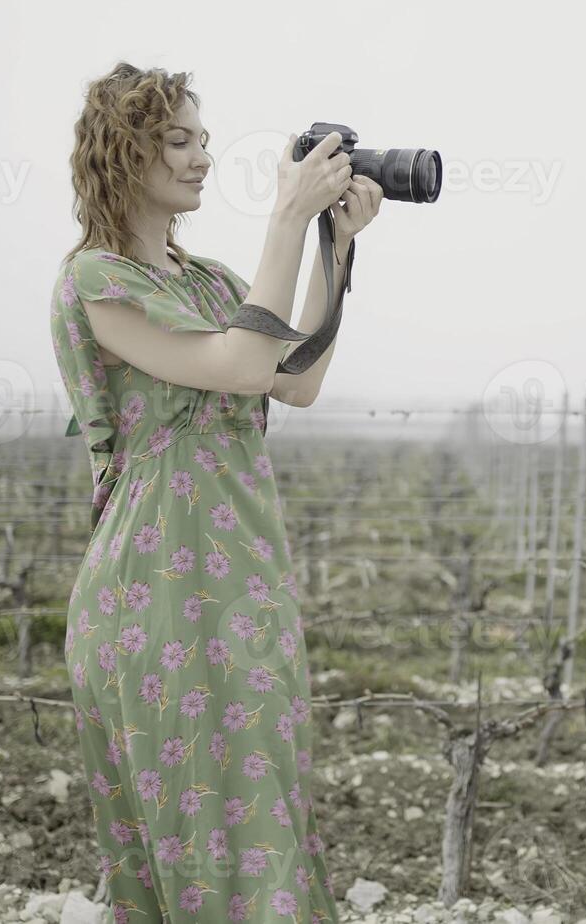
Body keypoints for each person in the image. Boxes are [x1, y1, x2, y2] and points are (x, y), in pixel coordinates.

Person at [49, 61, 381, 923]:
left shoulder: (212, 283)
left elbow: (292, 376)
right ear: (126, 153)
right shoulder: (97, 281)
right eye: (179, 140)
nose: (202, 157)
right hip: (156, 599)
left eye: (203, 138)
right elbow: (237, 364)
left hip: (239, 581)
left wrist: (333, 248)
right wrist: (285, 216)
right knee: (202, 848)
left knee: (259, 825)